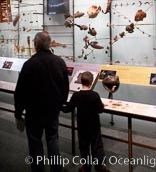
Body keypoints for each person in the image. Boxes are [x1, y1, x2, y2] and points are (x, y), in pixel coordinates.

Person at [14, 32, 69, 172]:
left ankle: (38, 169)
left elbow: (20, 91)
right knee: (53, 139)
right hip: (52, 110)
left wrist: (18, 112)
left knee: (35, 142)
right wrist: (60, 104)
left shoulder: (29, 64)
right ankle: (56, 169)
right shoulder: (60, 62)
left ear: (36, 45)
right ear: (49, 44)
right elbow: (65, 87)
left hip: (33, 112)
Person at [62, 71, 110, 172]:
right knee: (97, 146)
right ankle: (99, 166)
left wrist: (58, 105)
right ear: (91, 82)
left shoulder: (76, 95)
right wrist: (102, 106)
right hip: (94, 126)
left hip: (82, 126)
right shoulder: (95, 95)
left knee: (83, 147)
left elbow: (68, 109)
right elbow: (100, 110)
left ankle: (86, 167)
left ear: (80, 81)